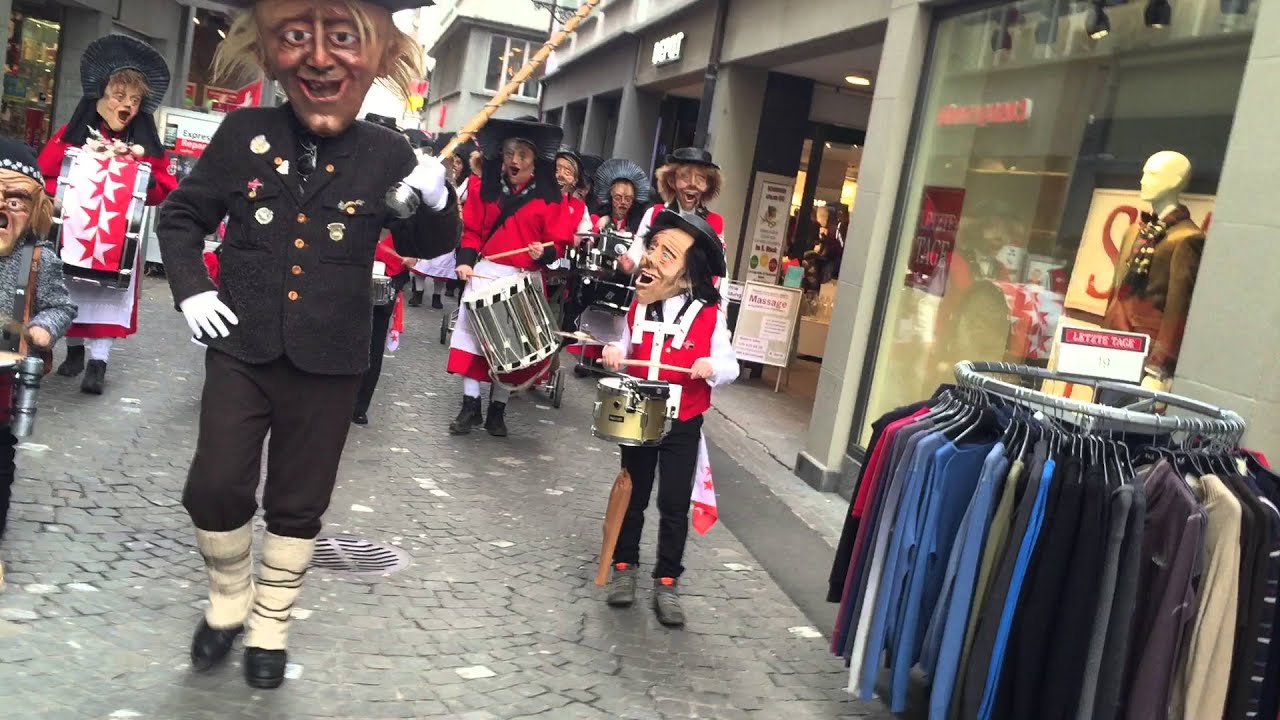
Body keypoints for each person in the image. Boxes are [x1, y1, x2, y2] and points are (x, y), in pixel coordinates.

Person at [155, 0, 459, 689]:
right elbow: (181, 214)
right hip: (243, 344)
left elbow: (427, 244)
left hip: (330, 357)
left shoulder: (388, 152)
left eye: (344, 39)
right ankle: (228, 602)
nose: (320, 59)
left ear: (378, 54)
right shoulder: (244, 132)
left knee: (299, 501)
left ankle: (270, 623)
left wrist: (439, 198)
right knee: (214, 485)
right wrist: (192, 290)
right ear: (269, 49)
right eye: (297, 37)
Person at [600, 209, 738, 627]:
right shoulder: (638, 306)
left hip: (683, 420)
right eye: (654, 248)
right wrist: (614, 353)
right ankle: (624, 567)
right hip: (639, 409)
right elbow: (623, 344)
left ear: (689, 269)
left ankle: (667, 580)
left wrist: (711, 367)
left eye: (667, 254)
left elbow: (730, 364)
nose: (653, 259)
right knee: (632, 492)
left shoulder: (710, 315)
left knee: (674, 502)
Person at [37, 34, 176, 395]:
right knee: (67, 290)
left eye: (134, 99)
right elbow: (45, 174)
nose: (126, 105)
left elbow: (163, 186)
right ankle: (75, 352)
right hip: (72, 233)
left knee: (110, 296)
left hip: (119, 240)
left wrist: (137, 175)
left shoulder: (146, 145)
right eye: (118, 96)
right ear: (100, 96)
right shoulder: (70, 135)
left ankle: (99, 363)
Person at [446, 118, 574, 438]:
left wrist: (542, 253)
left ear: (535, 160)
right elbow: (473, 230)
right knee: (471, 340)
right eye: (509, 154)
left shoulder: (550, 197)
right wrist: (464, 262)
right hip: (485, 271)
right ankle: (470, 405)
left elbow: (558, 243)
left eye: (522, 155)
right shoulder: (482, 187)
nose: (514, 161)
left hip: (523, 277)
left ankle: (497, 411)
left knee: (511, 348)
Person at [0, 138, 78, 591]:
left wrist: (45, 326)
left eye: (16, 200)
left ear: (35, 210)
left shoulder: (38, 260)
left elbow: (60, 305)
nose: (4, 211)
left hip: (5, 374)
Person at [565, 158, 650, 376]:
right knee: (591, 307)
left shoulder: (637, 228)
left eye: (628, 199)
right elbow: (587, 241)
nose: (622, 203)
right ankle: (589, 355)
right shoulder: (598, 219)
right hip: (599, 274)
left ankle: (613, 355)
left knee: (619, 316)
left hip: (623, 278)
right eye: (618, 197)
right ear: (610, 198)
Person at [619, 147, 724, 274]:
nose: (692, 184)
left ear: (707, 185)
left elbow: (720, 271)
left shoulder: (714, 222)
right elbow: (636, 254)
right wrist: (629, 264)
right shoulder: (655, 213)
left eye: (700, 178)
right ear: (672, 181)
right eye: (685, 177)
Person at [353, 234, 415, 425]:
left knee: (374, 348)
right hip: (352, 279)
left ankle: (360, 406)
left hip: (385, 285)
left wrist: (413, 257)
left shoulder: (400, 225)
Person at [410, 134, 476, 308]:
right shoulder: (440, 171)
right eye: (454, 161)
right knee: (424, 258)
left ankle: (437, 296)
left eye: (459, 162)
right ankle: (418, 292)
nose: (455, 165)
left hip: (452, 223)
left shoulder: (470, 181)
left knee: (442, 260)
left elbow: (460, 197)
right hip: (433, 220)